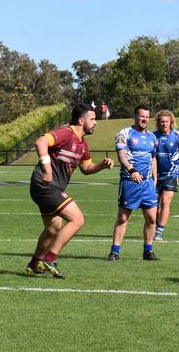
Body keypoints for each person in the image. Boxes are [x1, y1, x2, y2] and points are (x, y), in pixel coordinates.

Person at [26, 103, 114, 278]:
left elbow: (87, 168)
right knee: (78, 219)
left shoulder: (83, 144)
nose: (96, 122)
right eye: (93, 119)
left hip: (50, 187)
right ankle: (50, 259)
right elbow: (40, 141)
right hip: (44, 184)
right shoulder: (66, 133)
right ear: (81, 121)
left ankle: (34, 264)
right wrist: (48, 169)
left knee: (53, 228)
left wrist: (101, 166)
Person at [107, 106, 159, 261]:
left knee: (151, 218)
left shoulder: (152, 137)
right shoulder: (124, 133)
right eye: (142, 116)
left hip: (148, 184)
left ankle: (148, 251)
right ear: (135, 116)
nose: (144, 119)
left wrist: (155, 178)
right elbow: (122, 155)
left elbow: (153, 158)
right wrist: (132, 170)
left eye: (147, 117)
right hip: (130, 182)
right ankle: (115, 252)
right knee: (123, 218)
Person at [153, 110, 179, 241]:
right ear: (158, 123)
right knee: (153, 205)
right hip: (154, 175)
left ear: (171, 122)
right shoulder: (152, 136)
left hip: (172, 174)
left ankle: (159, 231)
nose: (164, 124)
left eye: (166, 121)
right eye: (162, 122)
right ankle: (155, 225)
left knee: (165, 201)